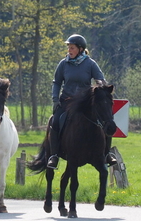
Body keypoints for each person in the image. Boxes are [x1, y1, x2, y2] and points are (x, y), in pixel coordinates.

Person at [47, 34, 117, 170]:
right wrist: (55, 99)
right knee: (55, 121)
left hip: (84, 105)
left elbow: (100, 79)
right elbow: (56, 83)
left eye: (72, 48)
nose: (69, 51)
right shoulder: (63, 64)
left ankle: (107, 154)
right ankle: (54, 156)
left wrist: (101, 85)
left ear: (80, 49)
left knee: (106, 121)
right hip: (66, 102)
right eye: (68, 48)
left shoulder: (90, 64)